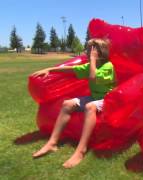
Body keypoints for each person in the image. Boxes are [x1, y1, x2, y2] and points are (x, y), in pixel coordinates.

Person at [31, 38, 116, 168]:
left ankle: (81, 150)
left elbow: (93, 76)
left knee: (90, 106)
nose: (87, 53)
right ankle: (52, 143)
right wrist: (50, 69)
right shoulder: (90, 66)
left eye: (91, 51)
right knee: (67, 104)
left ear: (100, 53)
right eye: (88, 50)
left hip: (108, 100)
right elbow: (71, 69)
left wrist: (92, 60)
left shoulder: (108, 66)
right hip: (94, 97)